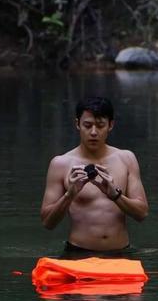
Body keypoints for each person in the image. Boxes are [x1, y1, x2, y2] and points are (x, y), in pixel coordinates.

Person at [40, 96, 148, 255]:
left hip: (120, 254)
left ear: (110, 125)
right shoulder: (61, 164)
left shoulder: (126, 159)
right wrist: (69, 195)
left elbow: (142, 213)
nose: (93, 132)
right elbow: (47, 222)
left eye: (100, 125)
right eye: (87, 125)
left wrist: (115, 195)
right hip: (78, 254)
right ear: (77, 124)